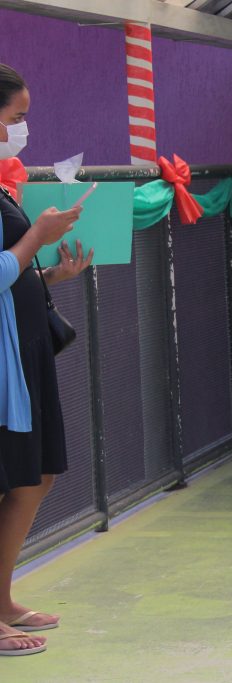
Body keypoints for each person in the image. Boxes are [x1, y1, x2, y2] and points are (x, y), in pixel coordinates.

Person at [0, 63, 90, 655]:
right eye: (17, 117)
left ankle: (1, 597)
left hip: (25, 351)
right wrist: (38, 236)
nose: (22, 130)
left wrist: (52, 273)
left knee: (37, 473)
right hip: (5, 362)